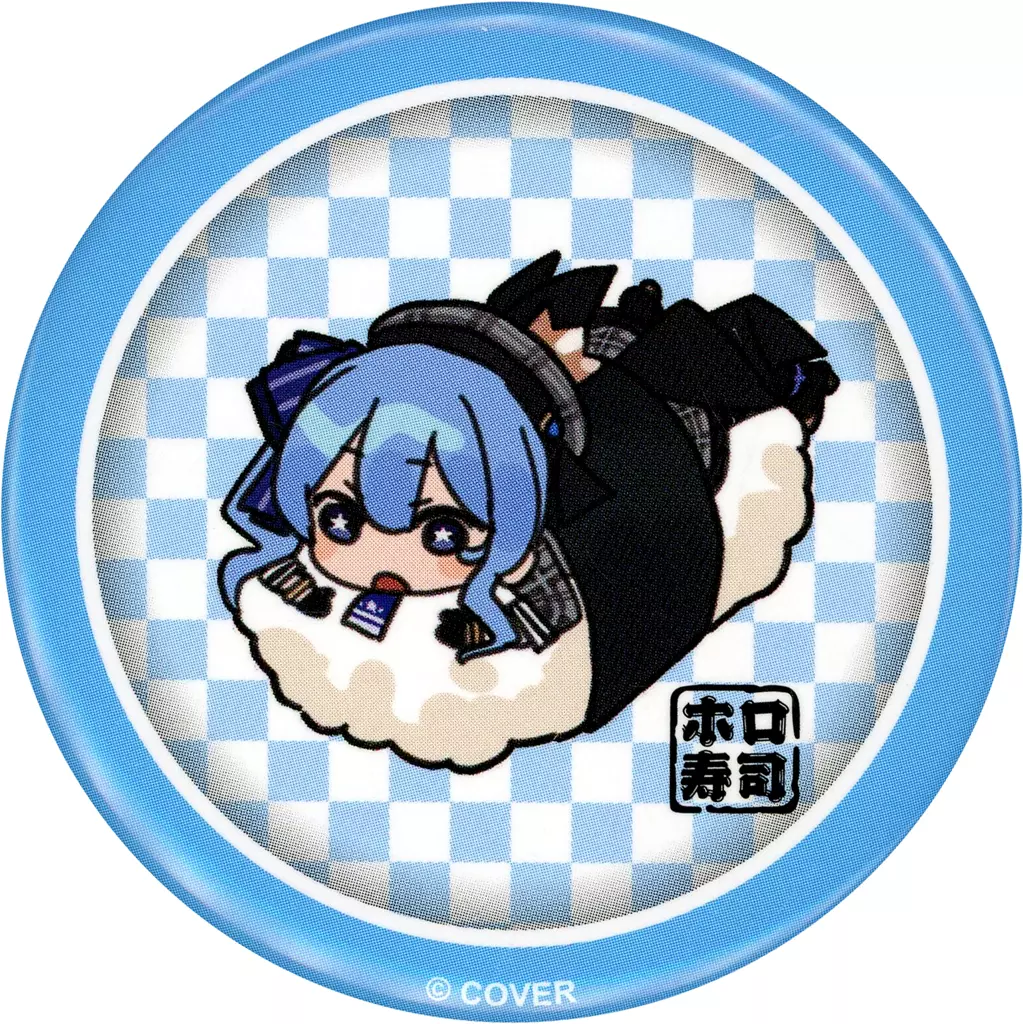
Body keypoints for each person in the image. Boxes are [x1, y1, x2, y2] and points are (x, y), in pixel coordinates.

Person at [220, 252, 837, 772]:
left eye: (441, 533)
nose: (386, 561)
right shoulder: (300, 581)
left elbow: (551, 617)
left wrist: (481, 634)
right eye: (340, 520)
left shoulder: (539, 554)